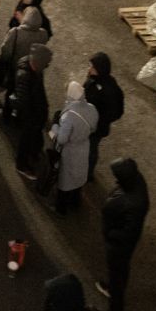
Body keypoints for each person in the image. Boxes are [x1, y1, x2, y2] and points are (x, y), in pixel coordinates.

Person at [97, 158, 149, 311]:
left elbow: (127, 232)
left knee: (118, 280)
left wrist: (111, 234)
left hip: (119, 246)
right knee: (119, 272)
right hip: (120, 245)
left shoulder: (133, 202)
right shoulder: (135, 184)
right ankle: (111, 286)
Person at [50, 81, 100, 214]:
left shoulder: (69, 115)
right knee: (78, 175)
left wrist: (55, 126)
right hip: (84, 147)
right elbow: (93, 128)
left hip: (70, 151)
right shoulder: (92, 108)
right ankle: (75, 202)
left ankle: (61, 209)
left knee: (66, 179)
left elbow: (62, 139)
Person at [7, 43, 54, 180]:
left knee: (34, 136)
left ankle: (34, 152)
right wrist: (34, 117)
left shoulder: (34, 68)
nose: (46, 67)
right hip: (30, 116)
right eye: (45, 64)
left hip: (36, 113)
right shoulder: (25, 75)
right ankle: (22, 165)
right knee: (25, 140)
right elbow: (23, 101)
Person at [82, 52, 125, 182]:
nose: (90, 70)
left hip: (95, 128)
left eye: (93, 68)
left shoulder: (109, 89)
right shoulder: (93, 78)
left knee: (90, 150)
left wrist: (98, 120)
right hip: (85, 122)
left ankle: (87, 174)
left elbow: (116, 111)